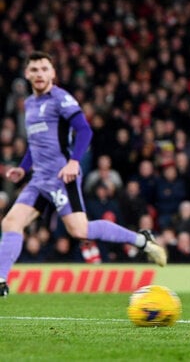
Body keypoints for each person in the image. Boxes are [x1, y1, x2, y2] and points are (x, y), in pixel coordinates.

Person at [0, 51, 166, 298]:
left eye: (44, 69)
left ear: (53, 73)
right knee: (10, 223)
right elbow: (37, 144)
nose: (39, 74)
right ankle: (1, 279)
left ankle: (141, 240)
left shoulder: (60, 99)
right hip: (38, 181)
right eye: (34, 69)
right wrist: (23, 168)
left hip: (61, 178)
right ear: (26, 74)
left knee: (80, 230)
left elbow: (85, 130)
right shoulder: (30, 104)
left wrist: (74, 162)